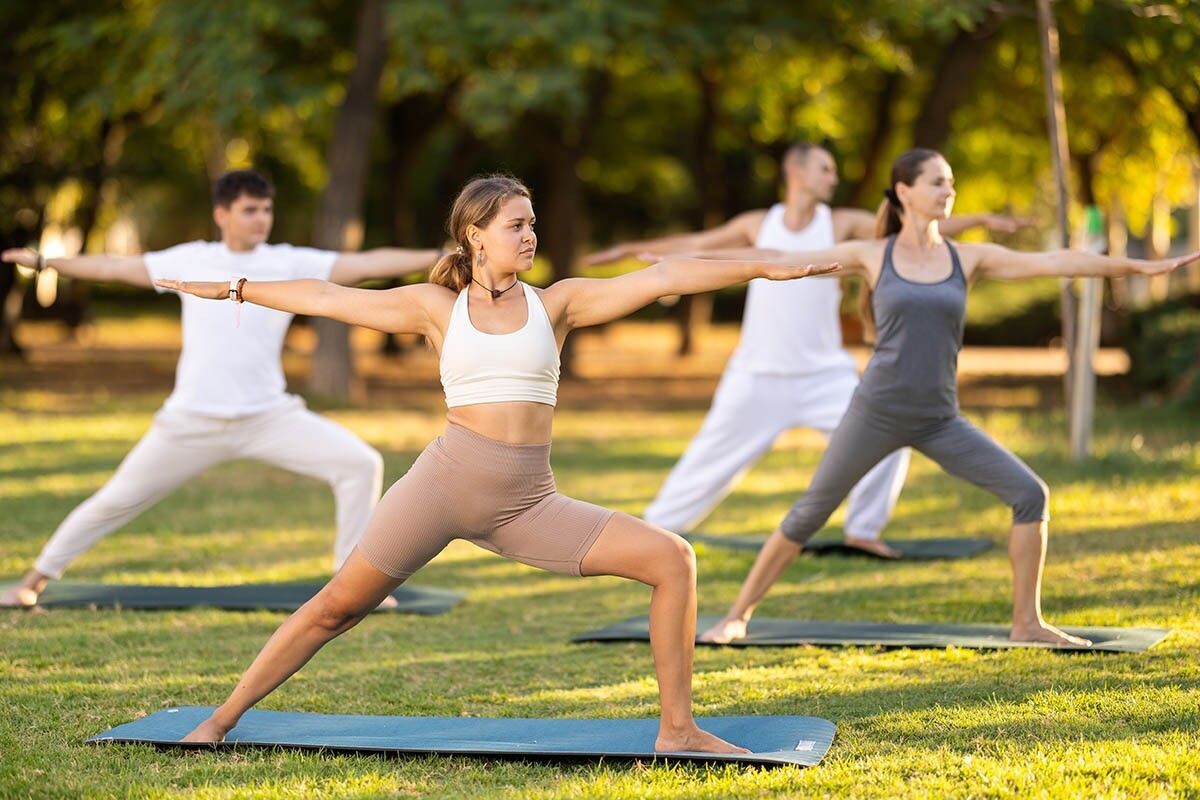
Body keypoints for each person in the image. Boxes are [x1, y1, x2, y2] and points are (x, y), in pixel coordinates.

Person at [160, 174, 837, 753]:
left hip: (528, 504)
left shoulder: (557, 303)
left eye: (533, 223)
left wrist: (761, 268)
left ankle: (678, 730)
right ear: (475, 235)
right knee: (335, 607)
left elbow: (663, 276)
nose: (530, 235)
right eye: (517, 225)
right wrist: (235, 288)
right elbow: (328, 297)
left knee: (672, 559)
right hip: (440, 489)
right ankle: (219, 720)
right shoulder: (436, 307)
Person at [696, 148, 1199, 646]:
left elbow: (1054, 261)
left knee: (1030, 495)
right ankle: (737, 616)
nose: (948, 190)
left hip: (939, 419)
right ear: (904, 191)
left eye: (950, 181)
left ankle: (1027, 623)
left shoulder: (968, 258)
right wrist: (677, 265)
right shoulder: (872, 254)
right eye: (937, 181)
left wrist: (1139, 269)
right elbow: (774, 259)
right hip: (876, 413)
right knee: (809, 513)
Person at [1, 169, 441, 607]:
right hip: (191, 422)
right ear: (222, 214)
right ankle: (32, 582)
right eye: (250, 210)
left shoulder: (289, 262)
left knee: (360, 464)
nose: (261, 219)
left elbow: (366, 263)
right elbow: (112, 267)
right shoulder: (191, 258)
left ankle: (352, 587)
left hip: (270, 418)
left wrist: (440, 254)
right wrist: (44, 263)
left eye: (266, 210)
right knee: (114, 501)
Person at [587, 142, 1025, 557]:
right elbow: (701, 244)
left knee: (892, 443)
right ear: (795, 172)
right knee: (705, 461)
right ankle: (655, 530)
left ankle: (863, 532)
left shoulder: (841, 224)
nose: (834, 177)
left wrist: (980, 219)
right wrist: (632, 250)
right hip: (756, 375)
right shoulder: (758, 223)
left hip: (824, 375)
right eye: (825, 169)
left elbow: (919, 225)